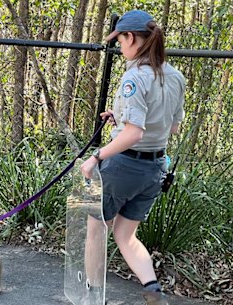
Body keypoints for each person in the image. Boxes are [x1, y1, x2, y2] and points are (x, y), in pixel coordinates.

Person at [80, 9, 186, 305]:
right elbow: (171, 125)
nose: (120, 47)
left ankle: (91, 296)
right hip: (154, 169)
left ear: (132, 38)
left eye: (121, 40)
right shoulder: (175, 76)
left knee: (97, 228)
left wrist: (96, 157)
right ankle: (153, 292)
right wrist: (121, 117)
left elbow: (135, 134)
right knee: (126, 235)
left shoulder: (135, 76)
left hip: (123, 165)